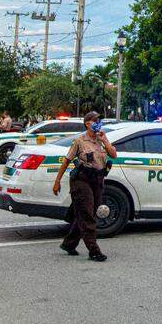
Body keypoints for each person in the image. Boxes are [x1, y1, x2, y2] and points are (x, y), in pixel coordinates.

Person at [51, 112, 116, 262]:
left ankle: (69, 243)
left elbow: (113, 155)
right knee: (86, 215)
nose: (97, 123)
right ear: (87, 123)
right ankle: (94, 250)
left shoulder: (101, 140)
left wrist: (105, 140)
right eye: (94, 120)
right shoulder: (79, 141)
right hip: (81, 180)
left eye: (98, 120)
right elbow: (67, 161)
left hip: (97, 180)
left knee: (89, 213)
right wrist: (57, 181)